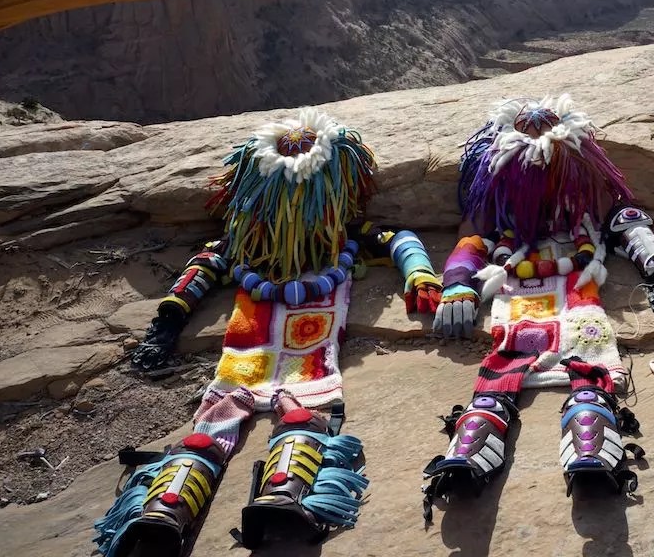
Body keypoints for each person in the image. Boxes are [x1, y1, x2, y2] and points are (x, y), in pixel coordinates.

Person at [93, 108, 443, 557]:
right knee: (224, 427)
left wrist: (421, 275)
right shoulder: (246, 243)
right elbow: (202, 266)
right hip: (251, 353)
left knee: (292, 417)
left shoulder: (334, 240)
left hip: (306, 354)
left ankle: (261, 495)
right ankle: (167, 510)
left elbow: (400, 240)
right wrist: (166, 323)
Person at [421, 94, 654, 519]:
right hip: (517, 282)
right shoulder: (496, 195)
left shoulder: (587, 187)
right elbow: (472, 239)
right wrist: (456, 285)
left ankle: (593, 435)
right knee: (507, 355)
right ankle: (476, 437)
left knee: (588, 357)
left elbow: (625, 219)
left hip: (578, 281)